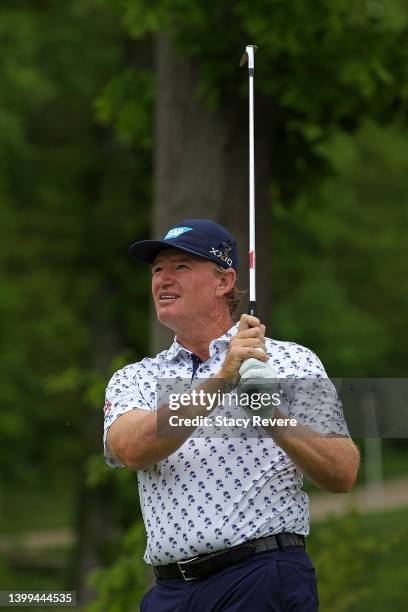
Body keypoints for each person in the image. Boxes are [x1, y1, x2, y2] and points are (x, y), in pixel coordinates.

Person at [103, 218, 360, 612]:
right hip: (170, 593)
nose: (162, 280)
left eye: (181, 268)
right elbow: (129, 448)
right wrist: (222, 380)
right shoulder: (135, 377)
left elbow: (342, 472)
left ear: (224, 282)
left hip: (261, 577)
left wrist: (270, 415)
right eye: (157, 270)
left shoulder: (291, 360)